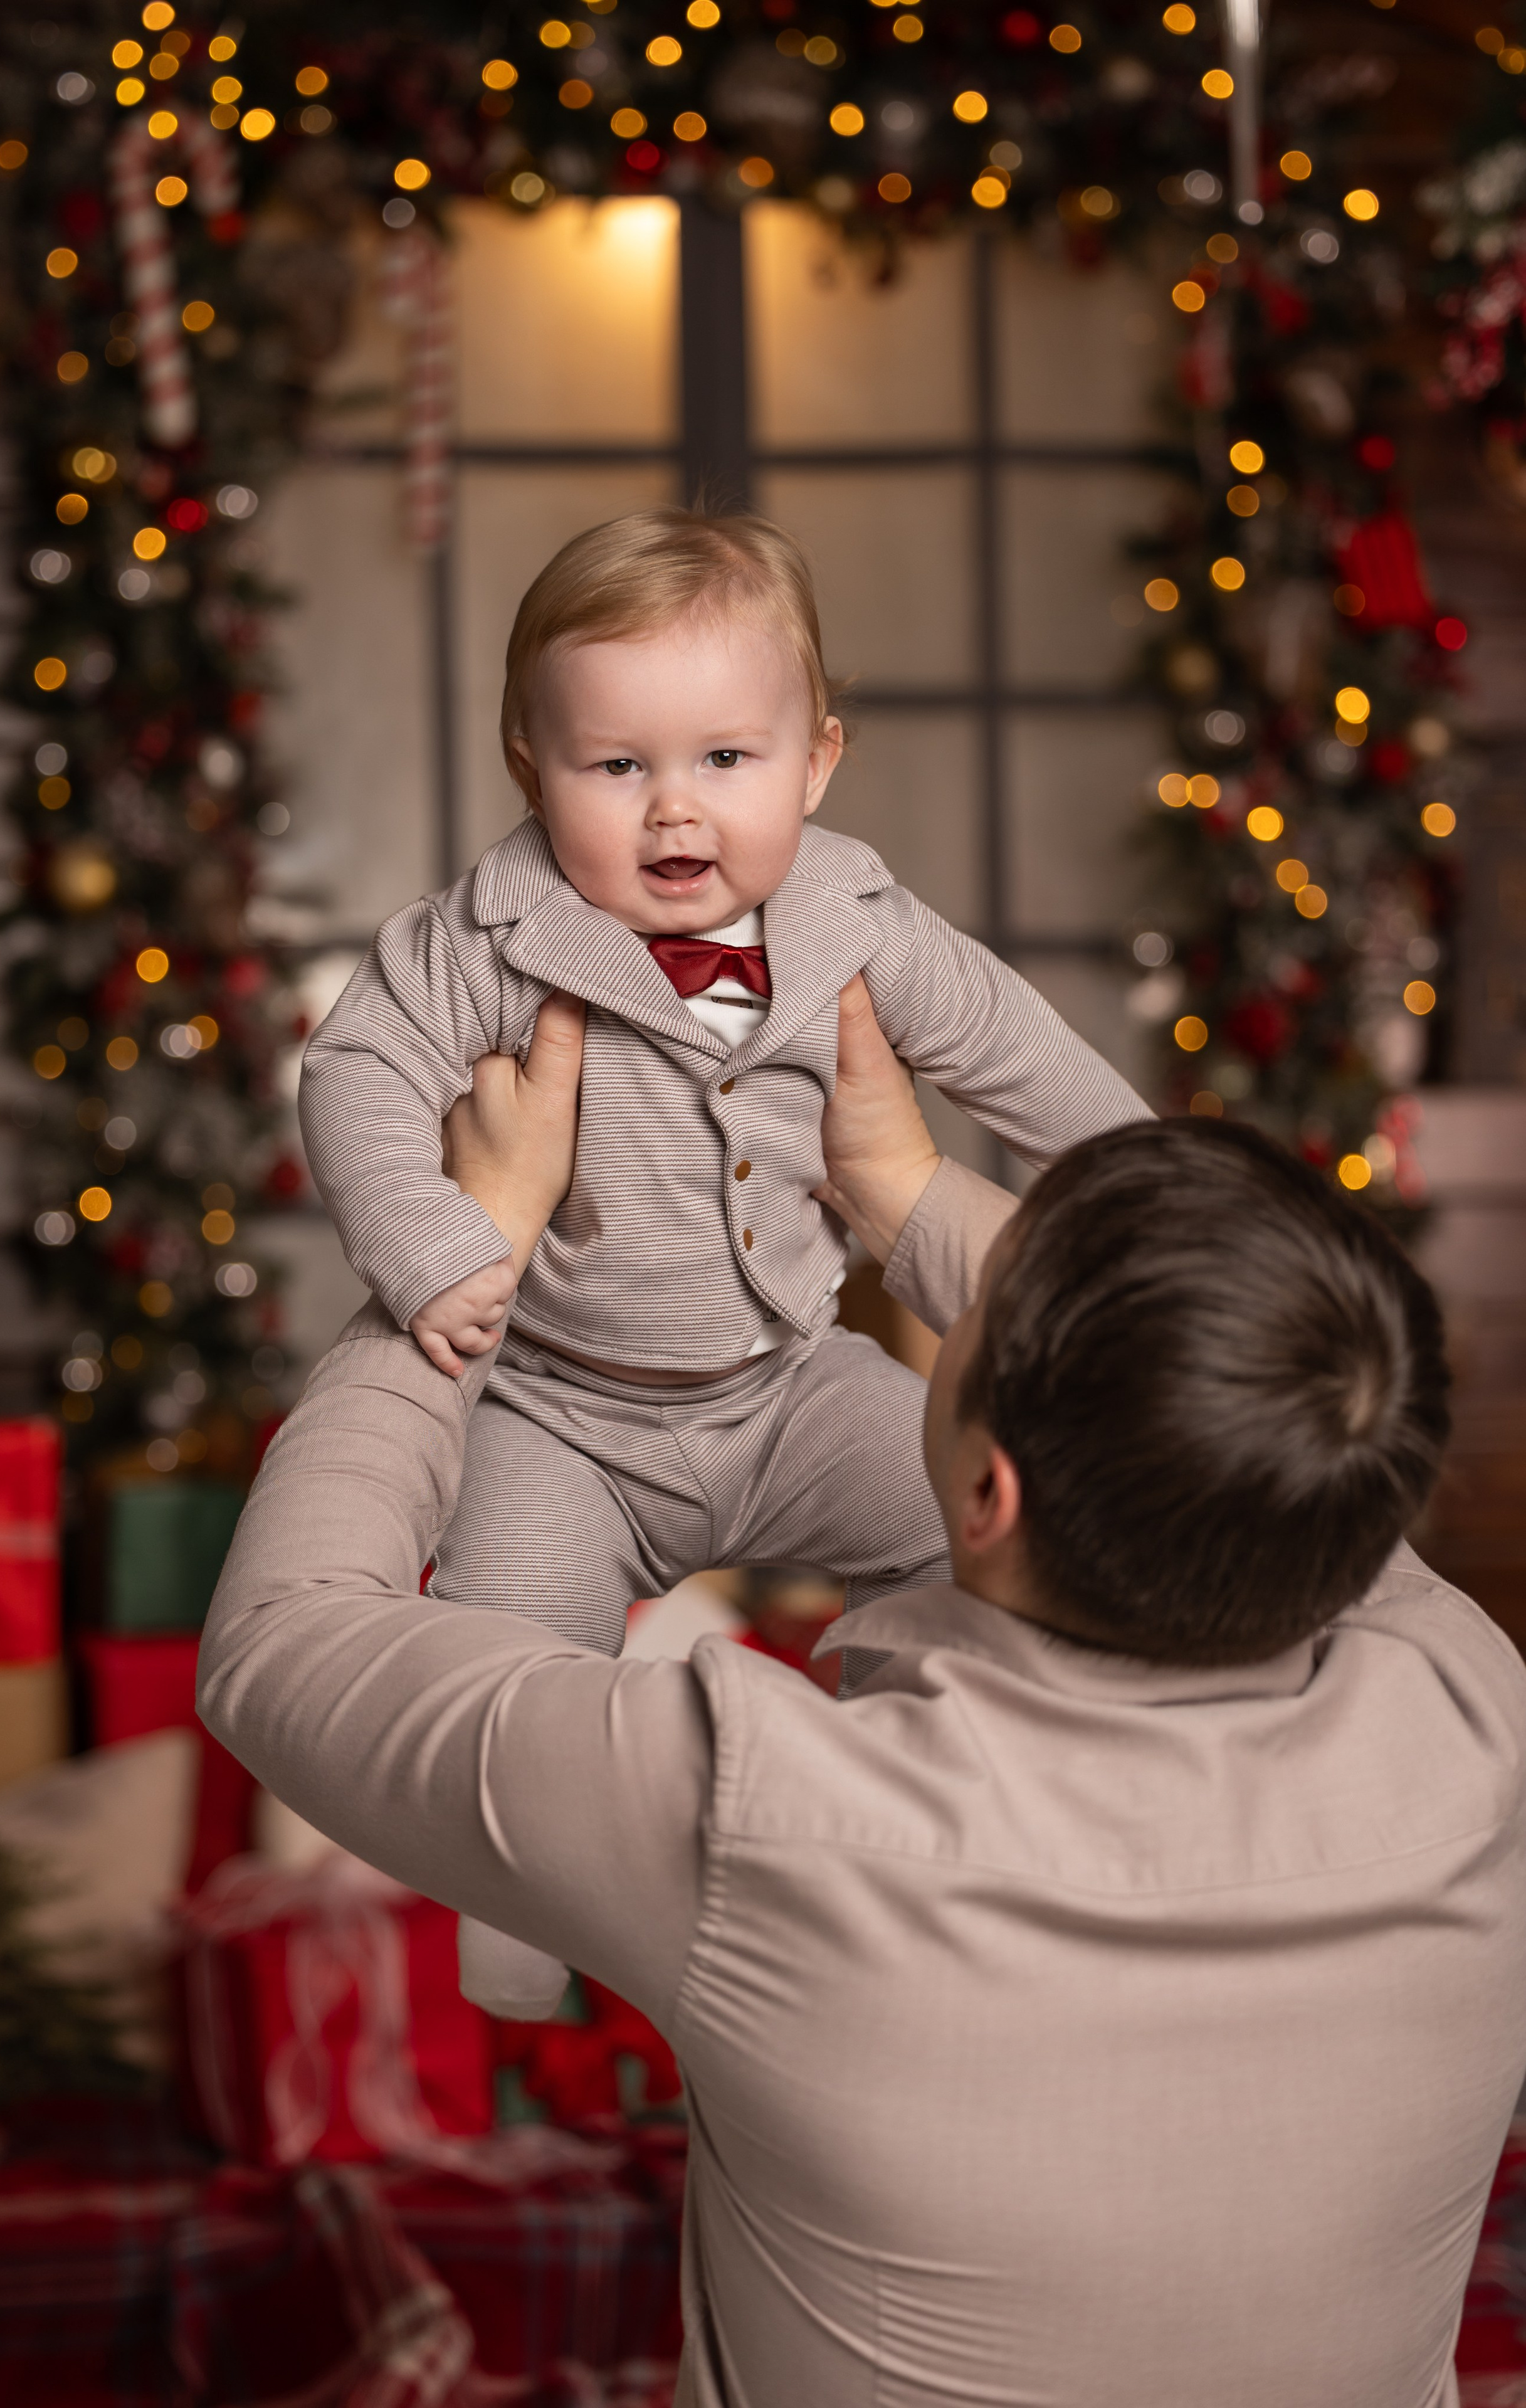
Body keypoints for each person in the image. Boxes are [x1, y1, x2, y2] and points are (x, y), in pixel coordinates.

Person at [201, 980, 1526, 2408]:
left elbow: (281, 1637)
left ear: (981, 1490)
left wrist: (460, 1250)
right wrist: (902, 1195)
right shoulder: (1470, 1707)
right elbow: (1283, 1424)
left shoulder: (761, 1818)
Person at [298, 505, 1148, 2017]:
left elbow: (1032, 1066)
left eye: (725, 762)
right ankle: (521, 1995)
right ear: (528, 767)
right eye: (615, 767)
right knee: (503, 1678)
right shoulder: (481, 940)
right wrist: (434, 1239)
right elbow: (353, 1073)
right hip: (565, 1410)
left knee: (980, 1537)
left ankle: (908, 1828)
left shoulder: (858, 923)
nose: (672, 812)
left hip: (794, 1378)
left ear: (816, 760)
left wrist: (1142, 1202)